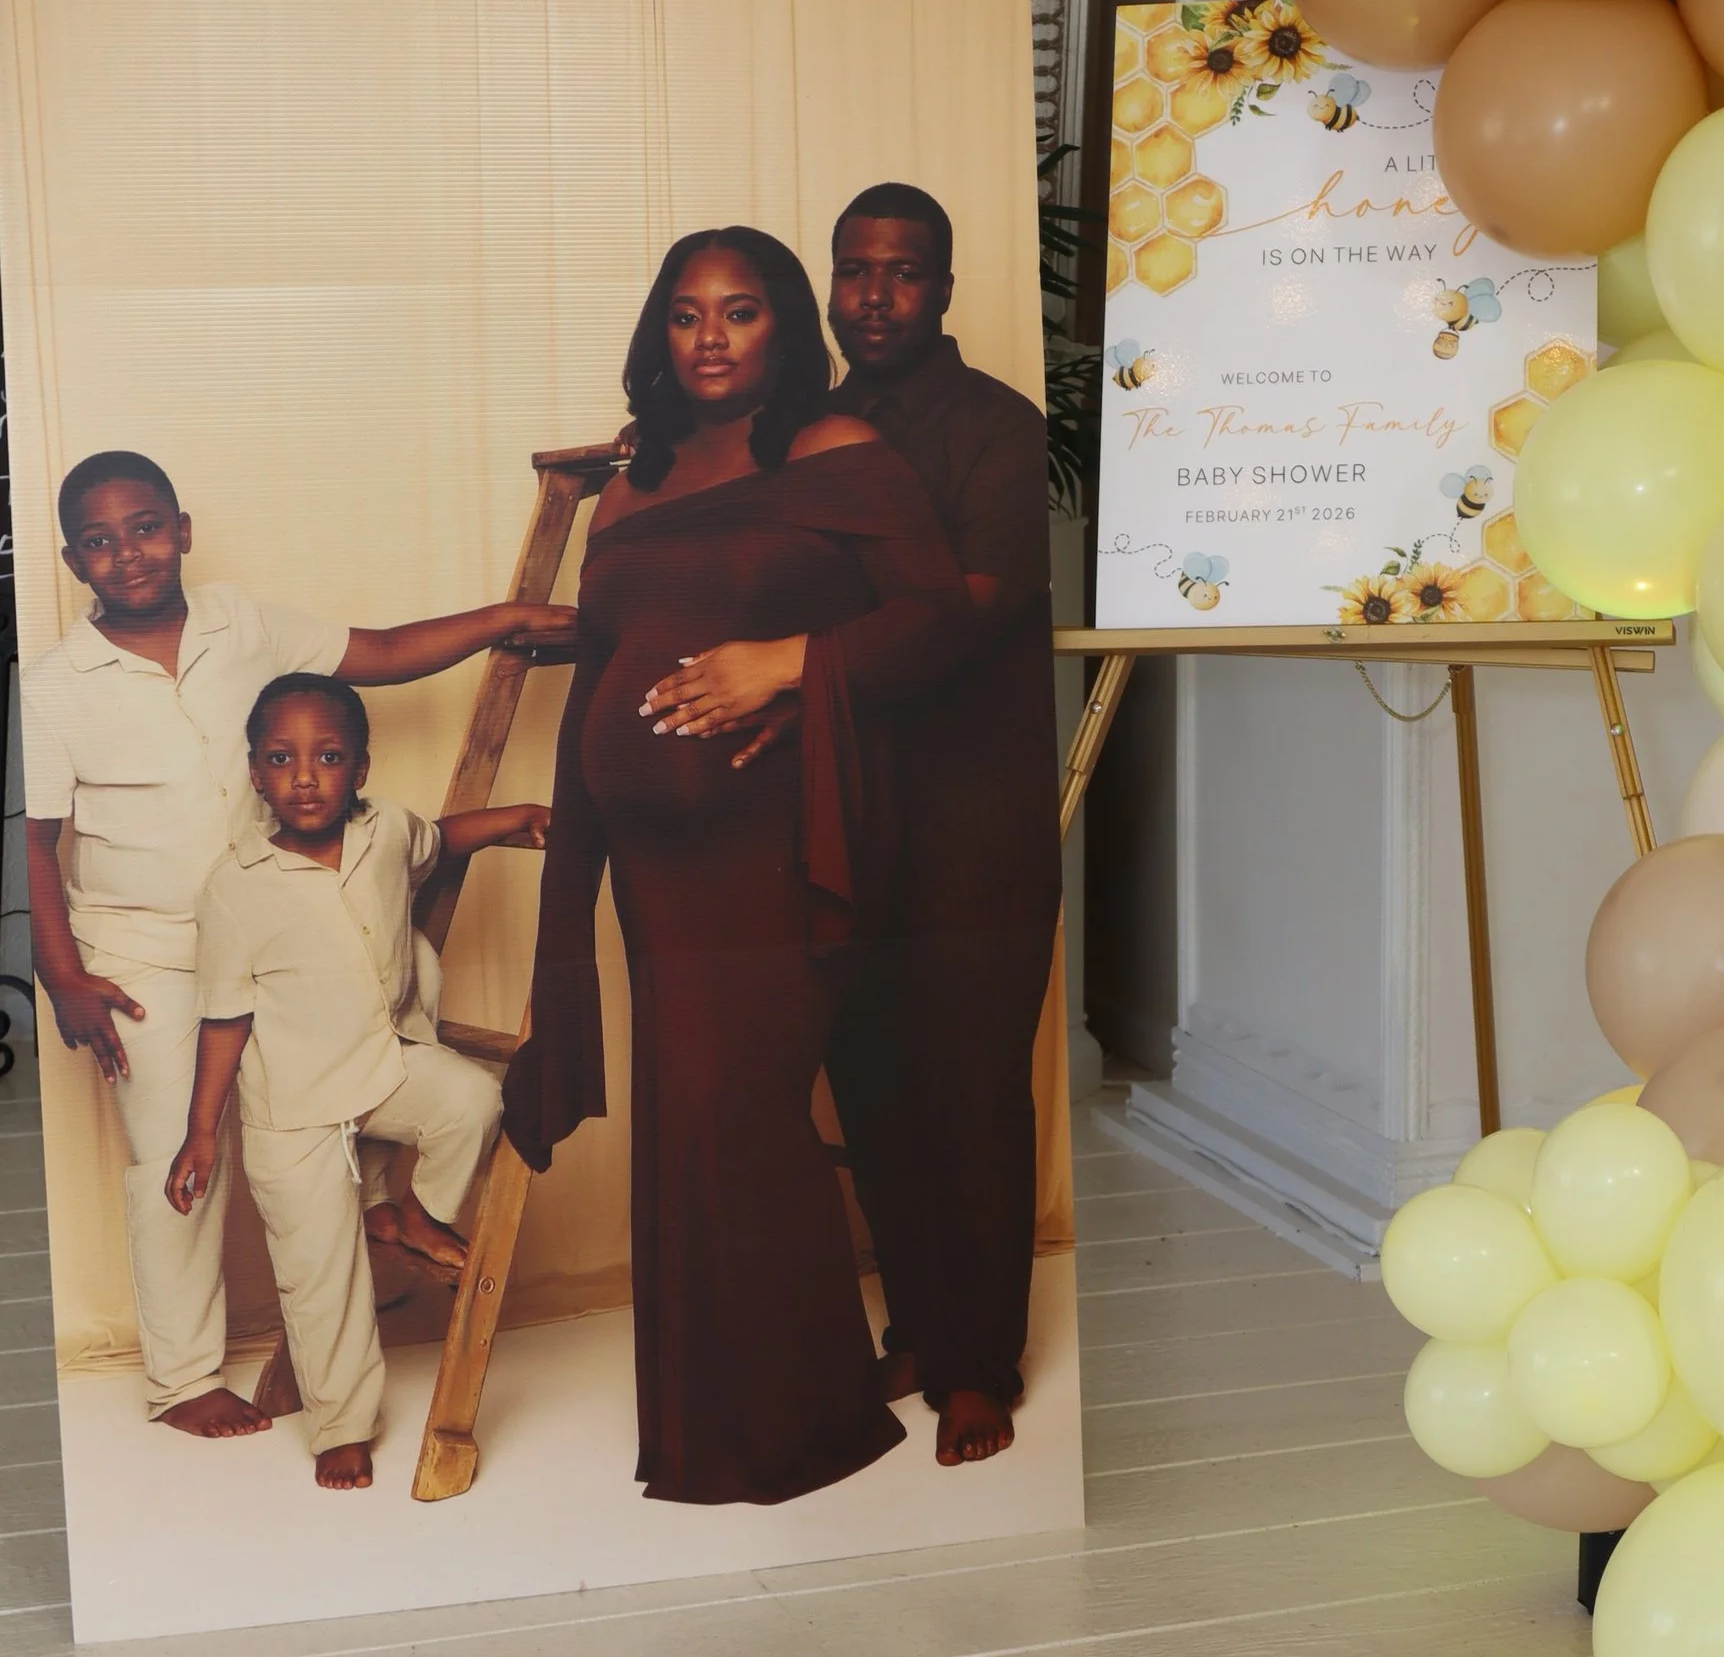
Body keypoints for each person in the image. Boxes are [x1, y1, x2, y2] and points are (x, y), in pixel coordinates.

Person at [502, 226, 971, 1505]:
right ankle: (717, 1418)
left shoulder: (836, 454)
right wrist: (582, 839)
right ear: (659, 330)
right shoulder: (633, 483)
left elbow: (936, 619)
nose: (711, 338)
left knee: (737, 1115)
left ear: (786, 329)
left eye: (743, 312)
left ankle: (792, 1427)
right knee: (690, 1124)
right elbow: (608, 656)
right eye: (688, 314)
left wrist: (789, 663)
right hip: (650, 860)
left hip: (770, 844)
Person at [21, 452, 573, 1440]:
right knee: (175, 1152)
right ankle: (183, 1377)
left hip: (275, 930)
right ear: (72, 560)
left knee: (329, 1100)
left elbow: (385, 651)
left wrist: (507, 620)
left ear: (182, 529)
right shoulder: (62, 683)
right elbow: (37, 837)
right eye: (100, 542)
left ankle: (368, 1243)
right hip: (139, 950)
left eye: (146, 527)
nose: (129, 554)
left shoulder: (243, 623)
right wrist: (62, 974)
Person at [643, 185, 1061, 1470]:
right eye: (855, 273)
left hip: (973, 821)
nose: (876, 298)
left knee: (972, 1094)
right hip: (836, 811)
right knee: (870, 1082)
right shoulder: (793, 427)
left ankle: (982, 1365)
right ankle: (924, 1329)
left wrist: (786, 666)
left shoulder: (995, 428)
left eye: (905, 274)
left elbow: (968, 610)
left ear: (944, 287)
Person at [169, 676, 547, 1492]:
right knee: (319, 1272)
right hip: (293, 1106)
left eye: (328, 757)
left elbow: (444, 841)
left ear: (361, 769)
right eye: (282, 759)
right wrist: (202, 1131)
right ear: (257, 772)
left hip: (383, 1064)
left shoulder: (387, 834)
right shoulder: (235, 886)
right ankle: (341, 1425)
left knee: (475, 1099)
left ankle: (412, 1213)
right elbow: (225, 1020)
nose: (305, 776)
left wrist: (515, 816)